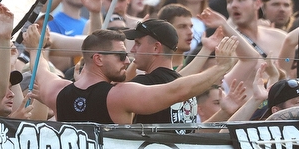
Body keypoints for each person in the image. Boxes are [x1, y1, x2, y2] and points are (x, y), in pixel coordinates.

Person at [34, 27, 239, 124]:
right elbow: (177, 90)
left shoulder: (56, 91)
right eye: (121, 55)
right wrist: (220, 68)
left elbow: (40, 70)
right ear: (98, 59)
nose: (127, 60)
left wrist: (35, 49)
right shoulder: (119, 95)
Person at [126, 19, 197, 128]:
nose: (132, 50)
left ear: (155, 48)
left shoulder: (143, 84)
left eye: (138, 44)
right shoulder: (186, 89)